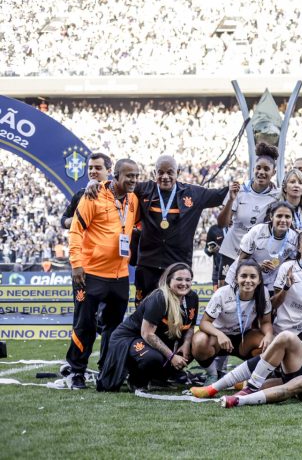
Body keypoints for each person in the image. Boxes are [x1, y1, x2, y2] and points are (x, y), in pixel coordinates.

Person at [66, 159, 140, 389]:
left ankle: (106, 370)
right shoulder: (93, 195)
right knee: (85, 325)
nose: (133, 180)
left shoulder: (133, 199)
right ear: (115, 176)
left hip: (120, 276)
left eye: (136, 176)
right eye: (129, 176)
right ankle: (76, 372)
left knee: (114, 327)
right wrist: (76, 263)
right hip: (90, 273)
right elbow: (75, 230)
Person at [122, 154, 230, 303]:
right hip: (148, 265)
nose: (165, 177)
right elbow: (119, 186)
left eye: (170, 172)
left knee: (175, 310)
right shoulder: (143, 189)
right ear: (154, 173)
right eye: (160, 172)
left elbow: (223, 194)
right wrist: (96, 185)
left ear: (178, 172)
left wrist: (250, 185)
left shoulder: (193, 193)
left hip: (178, 267)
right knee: (143, 308)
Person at [97, 263, 199, 392]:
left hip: (154, 338)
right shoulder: (159, 298)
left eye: (188, 280)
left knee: (193, 347)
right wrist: (172, 356)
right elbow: (147, 333)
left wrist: (187, 344)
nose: (184, 283)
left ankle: (159, 379)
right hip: (130, 338)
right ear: (168, 280)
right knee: (153, 358)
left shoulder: (192, 297)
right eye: (179, 279)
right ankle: (136, 380)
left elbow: (191, 326)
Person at [192, 260, 273, 384]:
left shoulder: (263, 293)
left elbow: (266, 322)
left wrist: (268, 335)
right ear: (236, 279)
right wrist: (219, 334)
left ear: (259, 280)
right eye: (243, 276)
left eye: (253, 276)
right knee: (199, 342)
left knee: (269, 345)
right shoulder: (222, 293)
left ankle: (249, 376)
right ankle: (212, 375)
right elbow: (204, 323)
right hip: (217, 338)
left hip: (243, 338)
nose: (248, 280)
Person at [217, 143, 280, 284]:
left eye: (266, 169)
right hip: (232, 249)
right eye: (258, 168)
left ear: (274, 172)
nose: (261, 172)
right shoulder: (239, 190)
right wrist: (230, 200)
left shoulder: (277, 195)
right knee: (225, 289)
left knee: (249, 289)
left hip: (254, 253)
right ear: (253, 169)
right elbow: (221, 224)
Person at [224, 201, 298, 288]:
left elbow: (290, 262)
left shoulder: (294, 238)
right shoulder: (257, 231)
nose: (283, 220)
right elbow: (241, 261)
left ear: (292, 219)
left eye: (287, 217)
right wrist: (258, 266)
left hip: (269, 281)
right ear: (271, 217)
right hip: (243, 276)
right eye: (279, 216)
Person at [61, 152, 111, 230]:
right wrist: (73, 221)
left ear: (109, 171)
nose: (92, 171)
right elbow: (64, 218)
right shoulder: (81, 194)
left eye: (98, 168)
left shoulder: (116, 194)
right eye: (90, 168)